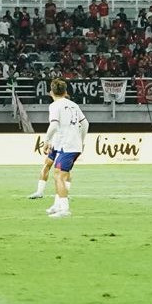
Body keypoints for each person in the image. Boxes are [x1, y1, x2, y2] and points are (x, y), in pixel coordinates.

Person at [43, 78, 88, 218]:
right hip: (73, 145)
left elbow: (54, 125)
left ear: (51, 92)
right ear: (65, 91)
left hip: (67, 145)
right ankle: (57, 205)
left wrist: (46, 140)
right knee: (61, 174)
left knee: (59, 176)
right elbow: (85, 123)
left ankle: (64, 209)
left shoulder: (55, 106)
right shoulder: (73, 104)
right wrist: (81, 141)